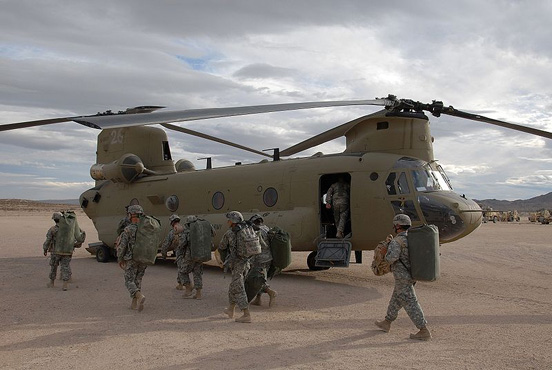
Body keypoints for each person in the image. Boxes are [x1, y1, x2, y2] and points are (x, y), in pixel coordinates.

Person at [375, 214, 431, 341]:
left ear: (398, 226)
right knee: (396, 299)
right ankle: (387, 322)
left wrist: (385, 253)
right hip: (411, 274)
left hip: (402, 276)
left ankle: (423, 330)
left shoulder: (397, 241)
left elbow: (391, 258)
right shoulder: (411, 239)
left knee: (410, 302)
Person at [218, 211, 252, 323]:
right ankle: (230, 309)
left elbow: (222, 246)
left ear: (233, 221)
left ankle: (246, 314)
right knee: (233, 286)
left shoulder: (230, 233)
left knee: (238, 288)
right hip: (246, 263)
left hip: (237, 263)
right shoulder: (247, 230)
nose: (227, 221)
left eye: (229, 220)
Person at [42, 211, 85, 291]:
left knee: (53, 267)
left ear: (54, 220)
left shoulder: (52, 229)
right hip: (67, 251)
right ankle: (65, 285)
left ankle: (51, 283)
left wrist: (45, 249)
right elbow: (78, 237)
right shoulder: (69, 229)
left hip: (56, 252)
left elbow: (48, 241)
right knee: (65, 267)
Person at [117, 204, 148, 312]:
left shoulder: (128, 229)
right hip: (143, 258)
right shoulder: (146, 228)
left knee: (129, 280)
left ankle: (139, 296)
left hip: (132, 258)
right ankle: (134, 303)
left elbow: (122, 246)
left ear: (131, 215)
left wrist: (120, 258)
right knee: (138, 280)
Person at [178, 215, 215, 299]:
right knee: (197, 273)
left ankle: (188, 288)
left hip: (189, 255)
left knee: (182, 272)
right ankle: (198, 294)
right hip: (200, 254)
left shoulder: (187, 231)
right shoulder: (202, 229)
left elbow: (182, 244)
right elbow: (213, 233)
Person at [248, 214, 277, 307]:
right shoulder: (267, 229)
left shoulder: (255, 230)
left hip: (258, 259)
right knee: (261, 278)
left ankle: (270, 292)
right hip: (268, 258)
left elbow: (253, 246)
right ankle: (258, 299)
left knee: (256, 279)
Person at [161, 214, 187, 290]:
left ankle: (181, 284)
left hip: (180, 252)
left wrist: (164, 254)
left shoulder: (173, 232)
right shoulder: (185, 229)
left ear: (172, 222)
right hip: (188, 252)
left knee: (180, 268)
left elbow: (166, 244)